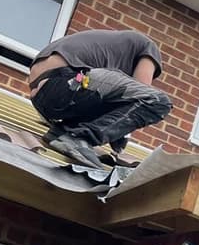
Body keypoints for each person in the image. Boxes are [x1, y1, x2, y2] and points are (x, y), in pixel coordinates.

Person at [28, 29, 174, 169]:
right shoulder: (149, 48)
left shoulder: (118, 50)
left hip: (45, 97)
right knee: (158, 101)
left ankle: (62, 133)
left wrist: (118, 140)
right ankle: (77, 138)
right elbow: (143, 89)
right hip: (66, 80)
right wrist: (121, 134)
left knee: (114, 98)